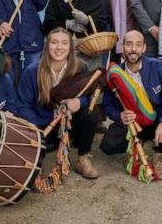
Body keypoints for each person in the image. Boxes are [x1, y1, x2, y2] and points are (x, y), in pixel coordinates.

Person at [16, 28, 100, 181]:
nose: (59, 47)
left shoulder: (80, 68)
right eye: (54, 42)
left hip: (69, 125)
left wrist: (78, 102)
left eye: (64, 43)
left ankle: (83, 158)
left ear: (70, 47)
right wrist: (36, 131)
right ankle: (37, 159)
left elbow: (89, 96)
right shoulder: (32, 71)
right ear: (47, 46)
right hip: (43, 127)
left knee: (91, 112)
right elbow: (23, 105)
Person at [100, 30, 162, 179]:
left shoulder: (156, 66)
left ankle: (160, 154)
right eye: (129, 44)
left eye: (138, 45)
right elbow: (107, 104)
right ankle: (137, 144)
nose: (133, 49)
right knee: (108, 145)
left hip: (155, 118)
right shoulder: (115, 73)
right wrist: (119, 116)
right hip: (132, 122)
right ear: (122, 47)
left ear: (144, 48)